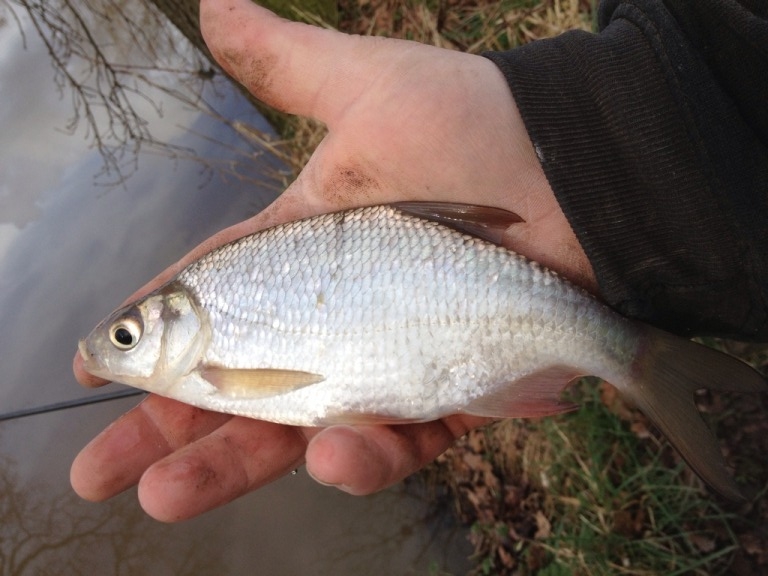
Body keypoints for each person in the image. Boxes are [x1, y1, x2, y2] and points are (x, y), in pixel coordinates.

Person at [70, 0, 768, 522]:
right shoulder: (209, 352)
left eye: (126, 336)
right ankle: (641, 358)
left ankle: (642, 359)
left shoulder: (212, 358)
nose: (116, 348)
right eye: (124, 338)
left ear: (175, 316)